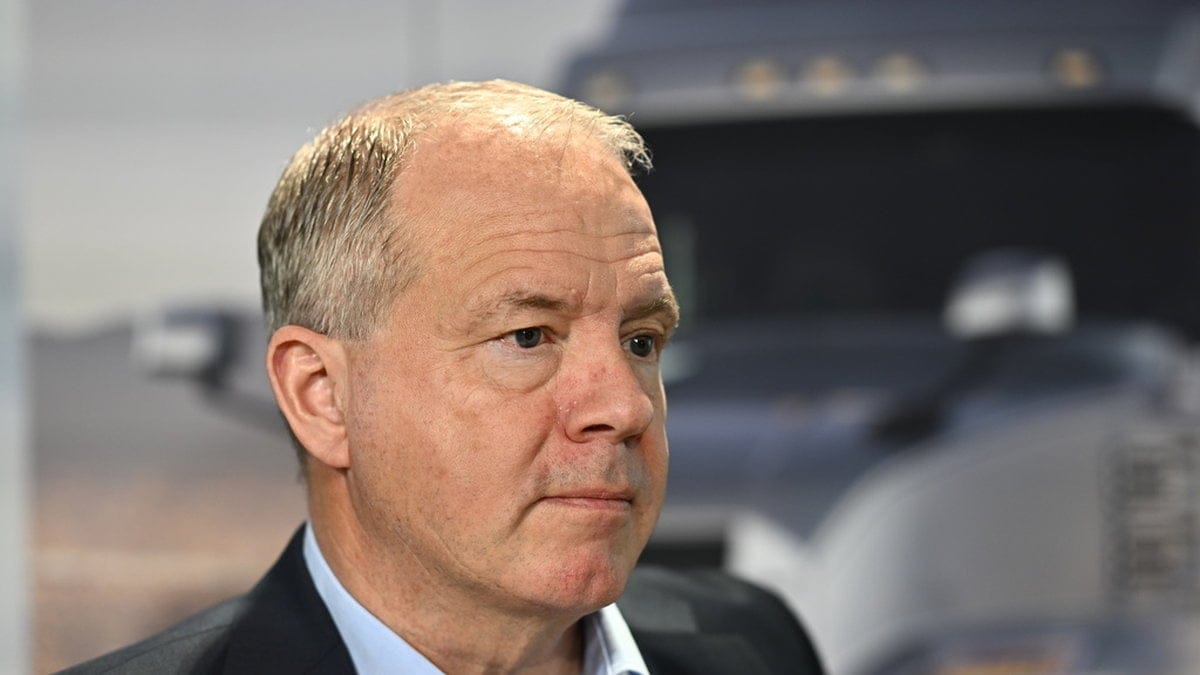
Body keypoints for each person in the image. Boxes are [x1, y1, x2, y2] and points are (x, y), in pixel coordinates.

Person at [63, 80, 824, 674]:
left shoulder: (756, 644)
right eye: (527, 336)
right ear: (322, 396)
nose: (625, 406)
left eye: (641, 340)